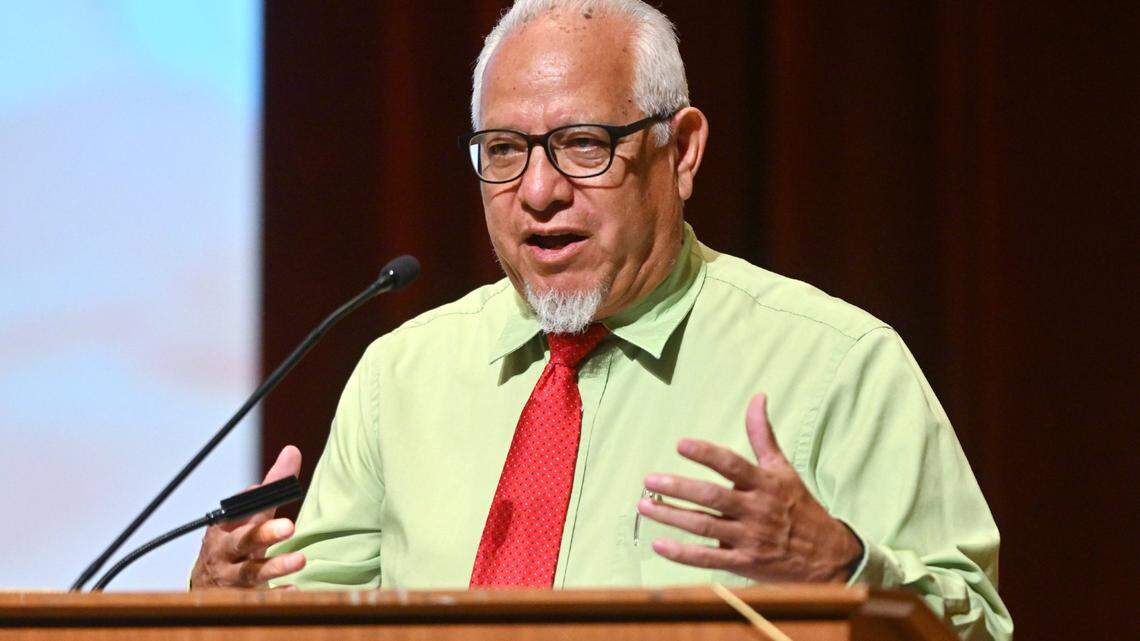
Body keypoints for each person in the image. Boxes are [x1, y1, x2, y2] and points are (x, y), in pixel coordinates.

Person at [192, 1, 1011, 639]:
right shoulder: (400, 376)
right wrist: (225, 607)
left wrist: (846, 569)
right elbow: (309, 619)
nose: (538, 191)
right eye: (504, 150)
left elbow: (975, 624)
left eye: (583, 144)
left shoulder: (836, 364)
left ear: (680, 151)